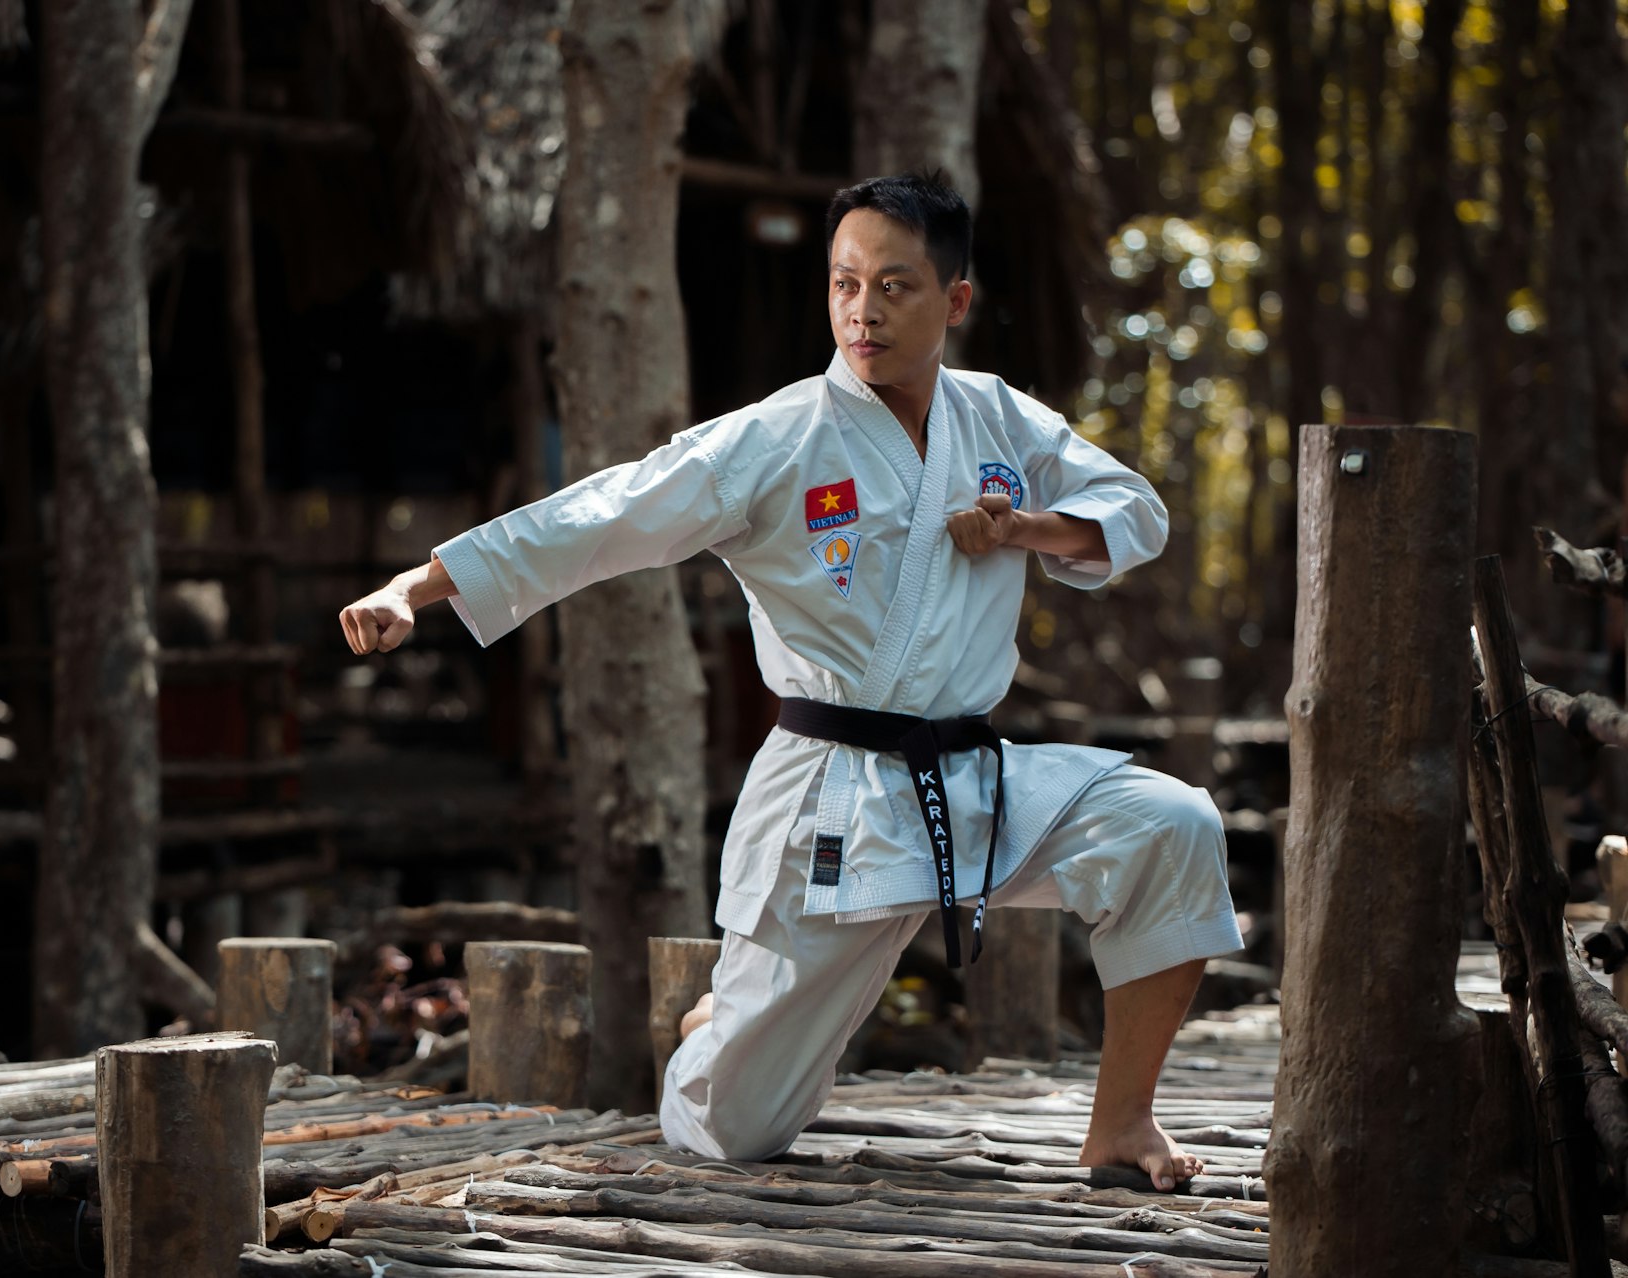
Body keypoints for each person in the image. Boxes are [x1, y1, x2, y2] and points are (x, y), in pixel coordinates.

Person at [340, 172, 1242, 1191]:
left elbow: (1138, 509)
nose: (864, 310)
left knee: (1173, 827)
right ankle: (715, 1024)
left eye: (896, 286)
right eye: (845, 282)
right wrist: (416, 588)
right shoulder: (780, 436)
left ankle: (1123, 1125)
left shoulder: (996, 420)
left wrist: (1025, 528)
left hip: (972, 778)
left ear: (955, 301)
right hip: (832, 800)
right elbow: (602, 515)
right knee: (735, 1130)